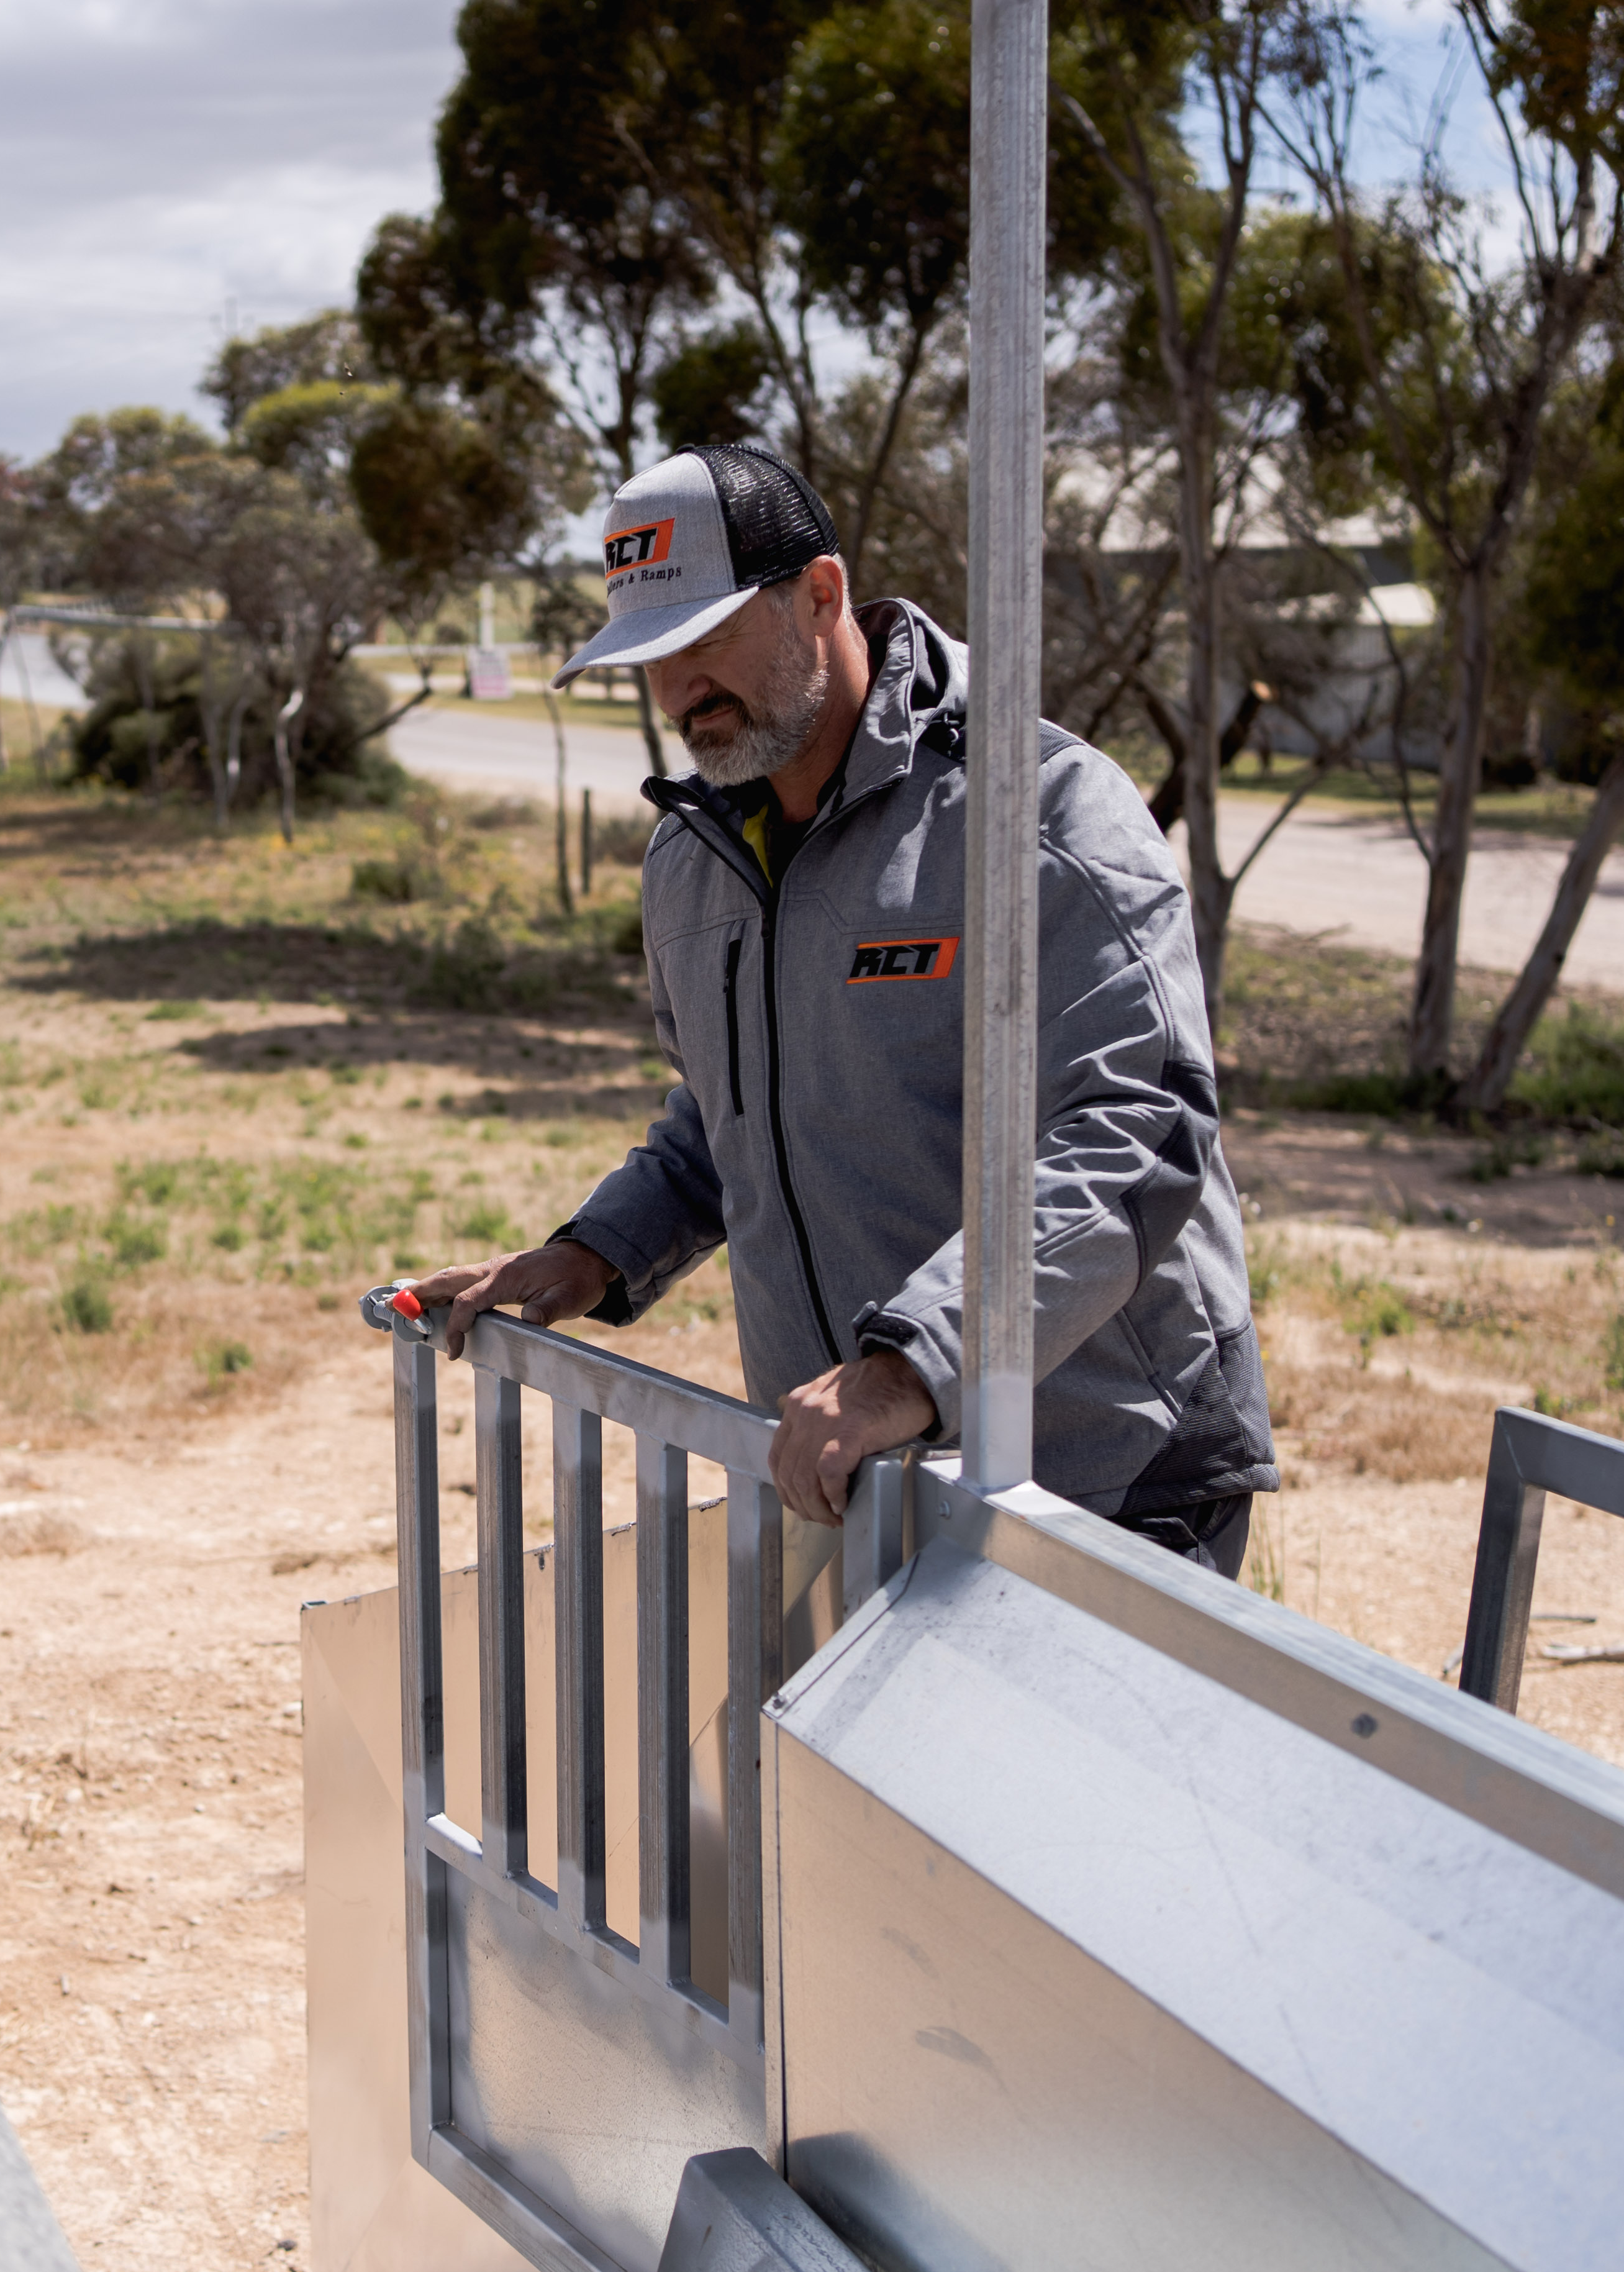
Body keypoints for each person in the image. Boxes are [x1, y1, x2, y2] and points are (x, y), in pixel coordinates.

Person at [407, 444, 1275, 1574]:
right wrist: (591, 1254)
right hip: (856, 1481)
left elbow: (1136, 1129)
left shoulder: (1037, 808)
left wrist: (912, 1368)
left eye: (704, 640)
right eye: (649, 657)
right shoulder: (693, 856)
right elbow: (729, 1120)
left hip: (1103, 1480)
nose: (679, 691)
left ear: (820, 595)